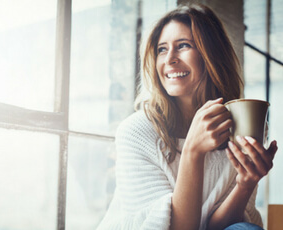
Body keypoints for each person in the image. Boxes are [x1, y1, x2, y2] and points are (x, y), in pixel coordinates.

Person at [97, 3, 278, 230]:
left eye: (183, 46)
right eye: (162, 49)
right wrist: (193, 150)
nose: (169, 59)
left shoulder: (239, 128)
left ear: (211, 55)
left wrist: (246, 183)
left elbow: (217, 227)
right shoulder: (135, 132)